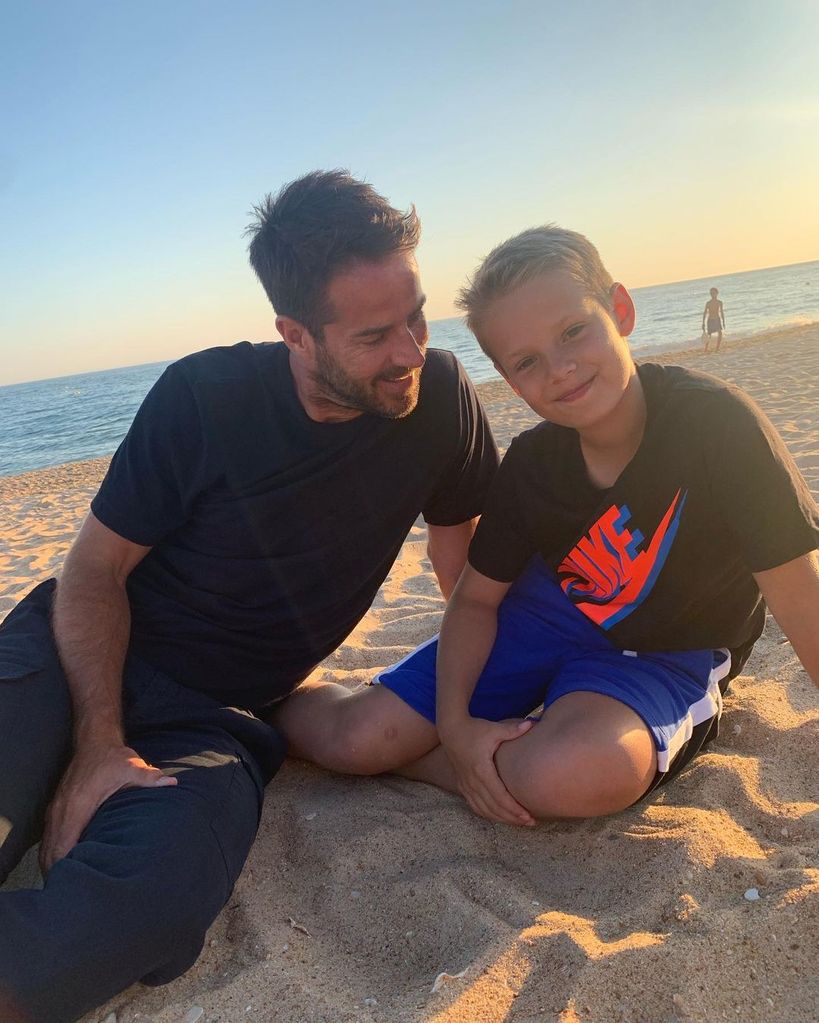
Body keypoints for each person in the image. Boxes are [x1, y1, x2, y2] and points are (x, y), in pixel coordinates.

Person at [0, 170, 499, 1023]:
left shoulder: (442, 401)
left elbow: (468, 579)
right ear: (296, 334)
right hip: (67, 655)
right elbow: (91, 572)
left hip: (216, 721)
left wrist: (492, 704)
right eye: (376, 334)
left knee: (146, 908)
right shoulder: (204, 399)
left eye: (417, 315)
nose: (411, 351)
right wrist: (98, 744)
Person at [276, 225, 819, 829]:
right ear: (509, 379)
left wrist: (445, 750)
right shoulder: (534, 462)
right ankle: (260, 711)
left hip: (663, 651)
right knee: (358, 741)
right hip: (541, 618)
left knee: (576, 774)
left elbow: (800, 595)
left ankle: (436, 766)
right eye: (527, 361)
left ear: (620, 310)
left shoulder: (716, 424)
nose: (559, 369)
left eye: (572, 332)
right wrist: (456, 726)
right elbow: (476, 601)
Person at [702, 287, 725, 352]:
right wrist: (703, 323)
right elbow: (704, 313)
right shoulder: (708, 303)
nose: (712, 294)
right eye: (711, 293)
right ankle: (706, 349)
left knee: (720, 333)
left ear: (717, 293)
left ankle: (717, 348)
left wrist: (723, 321)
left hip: (717, 319)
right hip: (710, 320)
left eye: (713, 293)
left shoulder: (720, 302)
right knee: (709, 335)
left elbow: (722, 312)